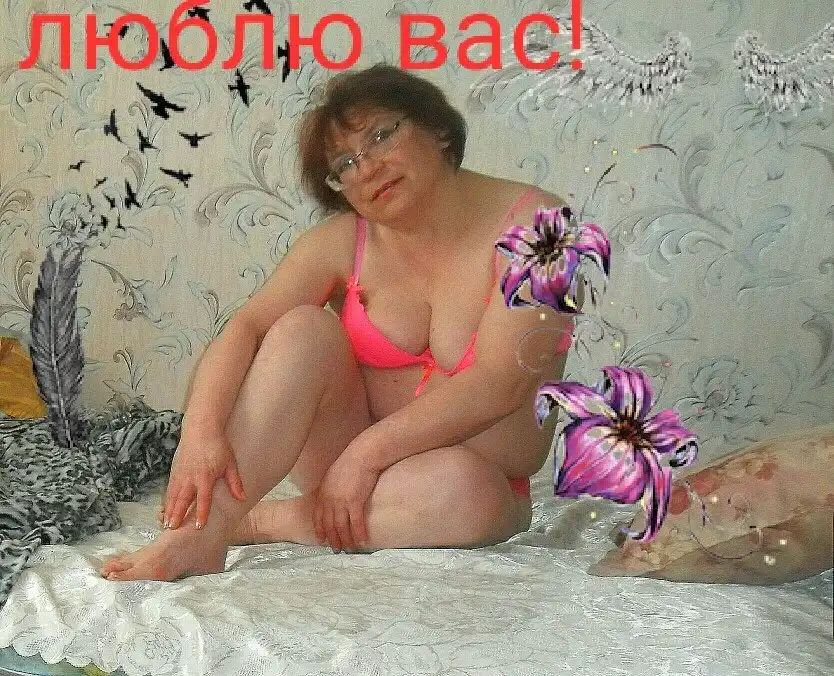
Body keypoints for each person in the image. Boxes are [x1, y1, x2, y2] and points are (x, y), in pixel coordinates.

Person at [100, 64, 574, 582]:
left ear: (438, 128)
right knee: (301, 329)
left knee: (469, 494)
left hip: (467, 483)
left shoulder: (541, 227)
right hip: (343, 464)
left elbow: (501, 383)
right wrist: (199, 432)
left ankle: (260, 521)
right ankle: (199, 538)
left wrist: (363, 458)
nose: (367, 168)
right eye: (345, 164)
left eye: (381, 136)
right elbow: (245, 329)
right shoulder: (343, 240)